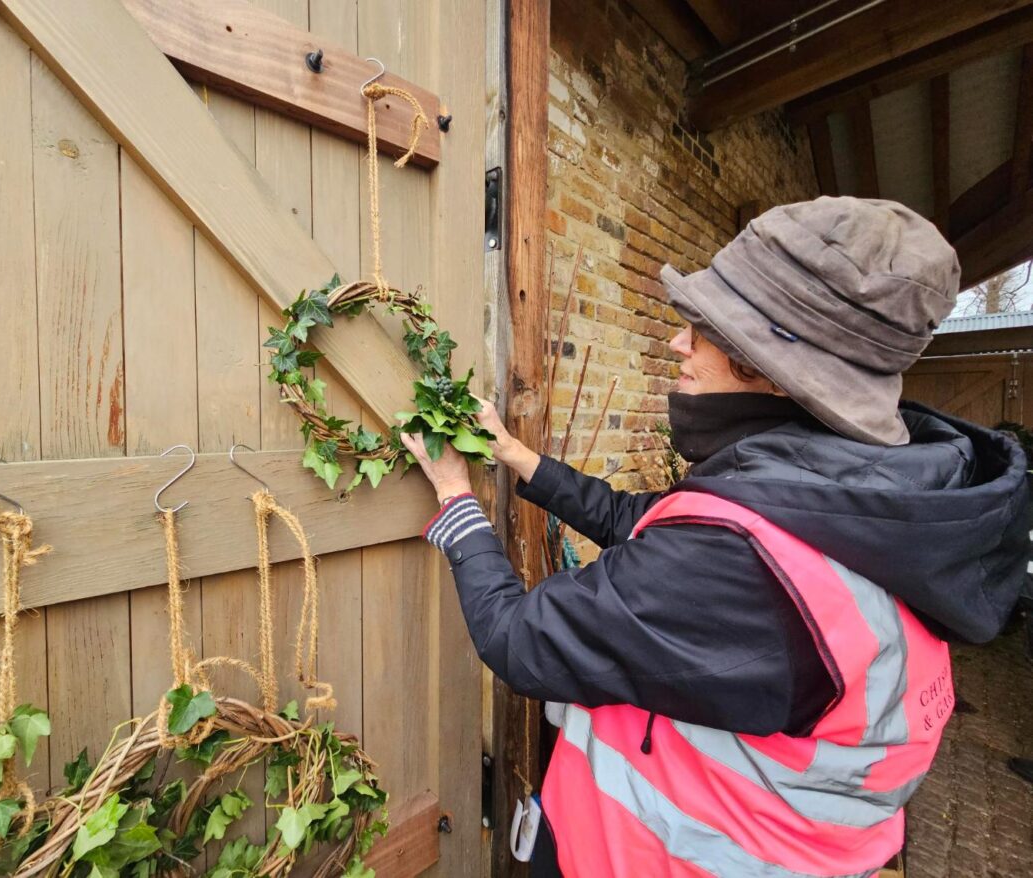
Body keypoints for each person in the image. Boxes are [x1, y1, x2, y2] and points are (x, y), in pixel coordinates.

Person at [400, 196, 1030, 878]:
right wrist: (519, 458)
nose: (678, 342)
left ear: (772, 359)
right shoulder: (865, 493)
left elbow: (518, 639)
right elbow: (646, 522)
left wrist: (454, 496)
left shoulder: (740, 562)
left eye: (703, 328)